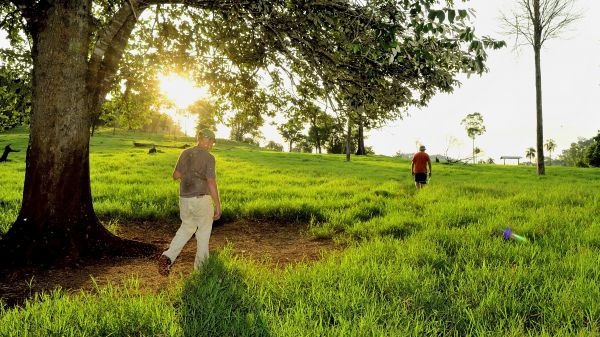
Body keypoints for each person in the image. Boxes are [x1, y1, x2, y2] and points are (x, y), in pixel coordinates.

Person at [158, 129, 222, 276]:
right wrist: (217, 205)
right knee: (203, 233)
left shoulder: (185, 153)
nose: (211, 145)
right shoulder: (209, 157)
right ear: (207, 141)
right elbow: (211, 182)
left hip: (185, 199)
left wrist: (189, 174)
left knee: (187, 228)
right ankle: (201, 271)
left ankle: (168, 256)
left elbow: (175, 175)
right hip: (201, 199)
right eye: (211, 142)